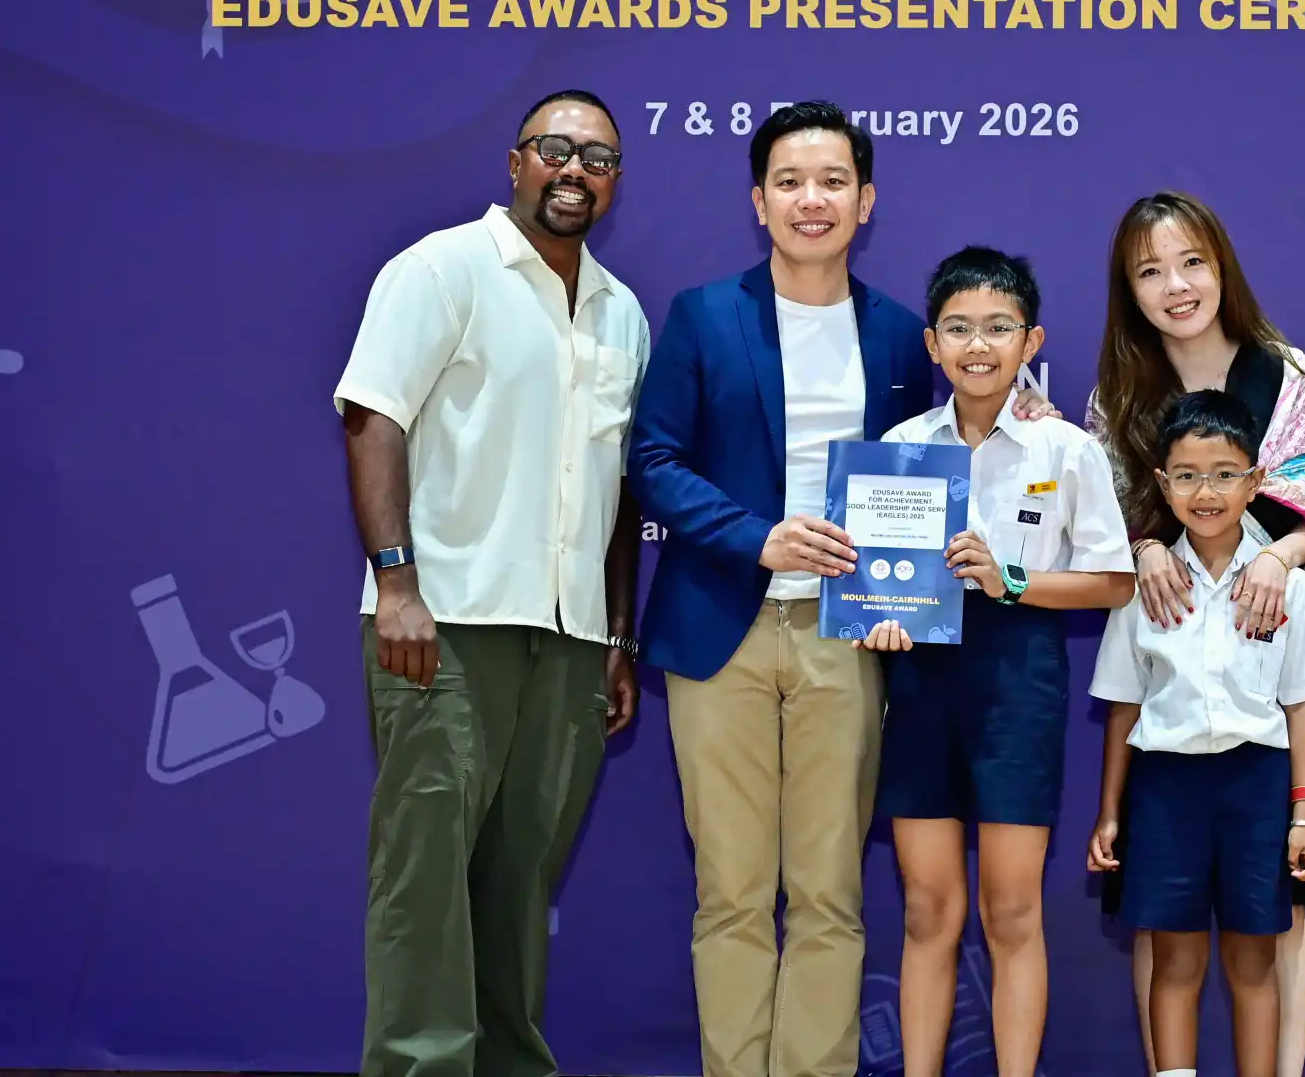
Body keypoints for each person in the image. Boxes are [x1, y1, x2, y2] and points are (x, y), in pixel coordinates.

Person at [626, 102, 1057, 1077]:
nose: (810, 199)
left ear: (865, 201)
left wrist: (1026, 419)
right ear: (759, 201)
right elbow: (651, 460)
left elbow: (957, 445)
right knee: (732, 892)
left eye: (832, 182)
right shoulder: (703, 315)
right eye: (789, 182)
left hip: (852, 635)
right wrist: (757, 537)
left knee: (829, 892)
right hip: (720, 631)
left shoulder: (903, 335)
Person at [333, 89, 648, 1077]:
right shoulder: (442, 270)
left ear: (615, 182)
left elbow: (617, 492)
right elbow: (372, 419)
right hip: (443, 627)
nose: (575, 170)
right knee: (425, 879)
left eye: (597, 159)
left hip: (570, 644)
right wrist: (397, 586)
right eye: (556, 149)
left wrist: (617, 638)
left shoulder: (622, 313)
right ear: (516, 163)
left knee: (520, 885)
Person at [854, 246, 1136, 1077]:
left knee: (1011, 912)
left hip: (1019, 682)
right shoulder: (899, 447)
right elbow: (871, 586)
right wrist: (878, 622)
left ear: (1030, 341)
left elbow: (1114, 581)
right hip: (919, 684)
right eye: (959, 328)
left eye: (999, 328)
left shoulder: (1066, 450)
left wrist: (1009, 579)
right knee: (927, 911)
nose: (978, 345)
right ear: (932, 344)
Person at [1082, 191, 1305, 1077]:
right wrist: (1144, 545)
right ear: (1129, 289)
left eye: (1192, 262)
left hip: (1269, 674)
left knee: (1278, 906)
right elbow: (1099, 526)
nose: (1176, 286)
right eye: (1150, 271)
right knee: (1164, 919)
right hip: (1169, 692)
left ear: (1222, 264)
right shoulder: (1119, 394)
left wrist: (1279, 557)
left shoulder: (1290, 376)